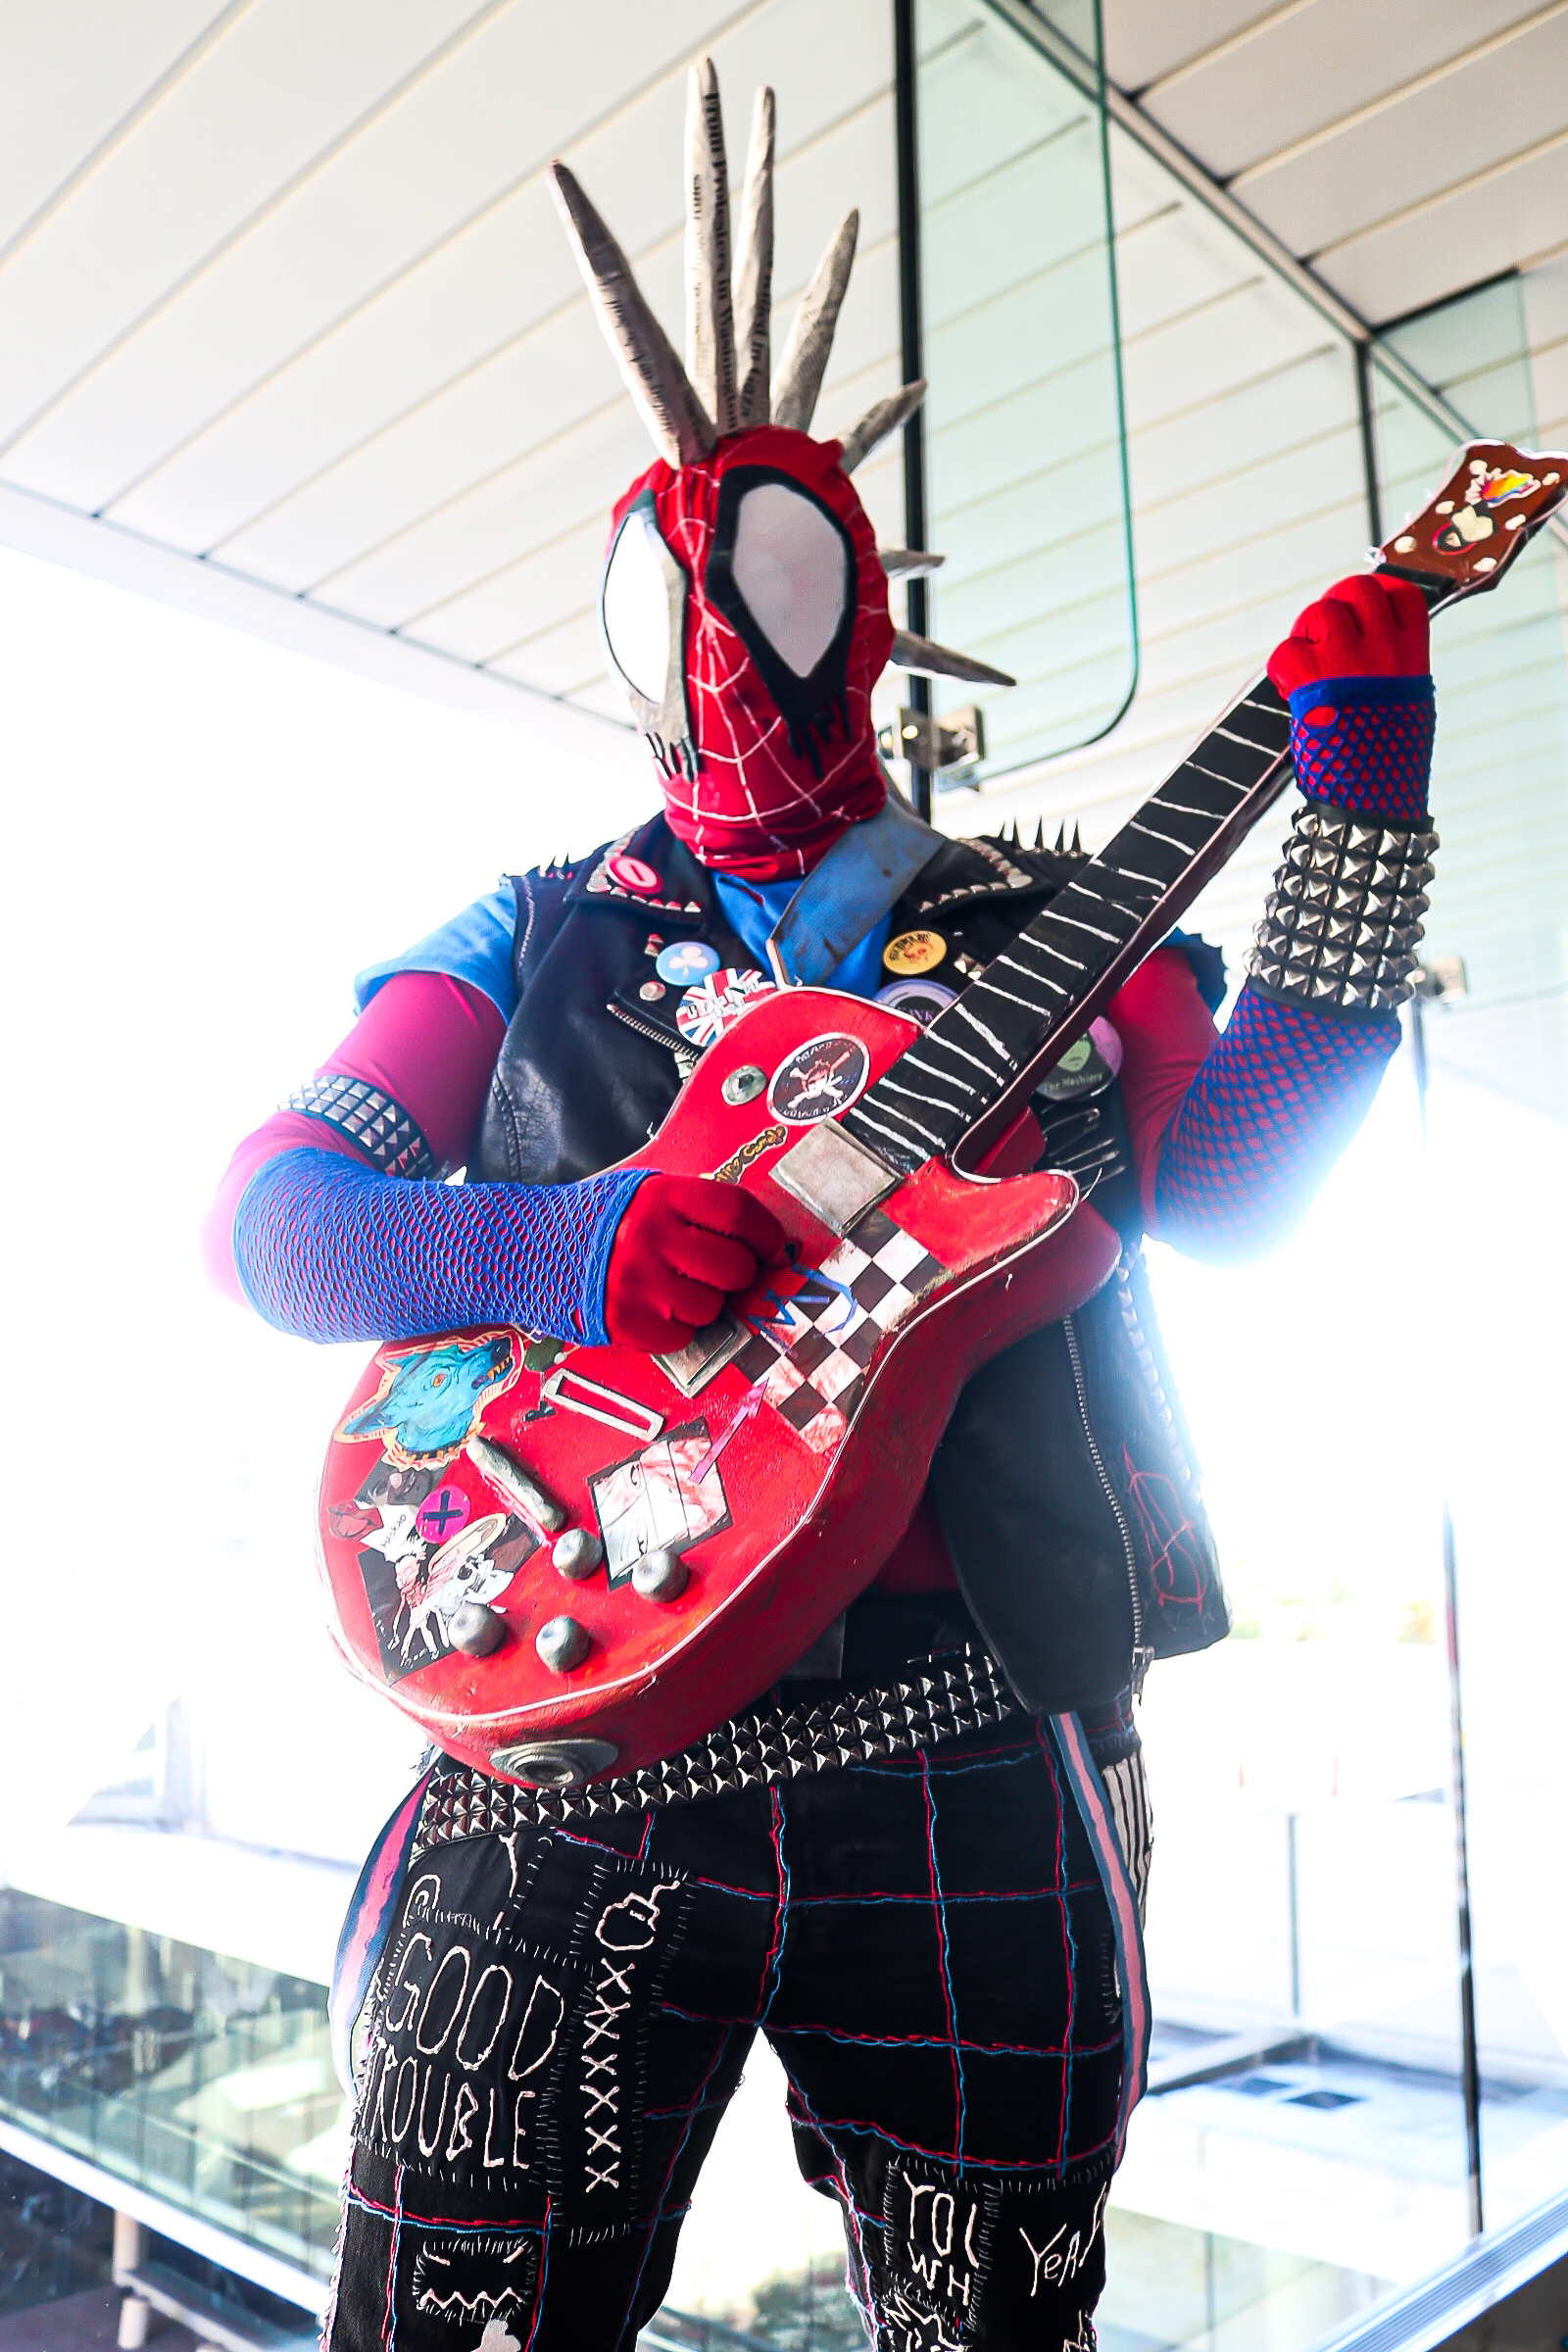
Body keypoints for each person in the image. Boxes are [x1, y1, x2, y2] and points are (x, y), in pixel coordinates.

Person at [204, 63, 1439, 2352]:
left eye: (767, 576)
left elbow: (1242, 1186)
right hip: (557, 1723)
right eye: (665, 586)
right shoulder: (523, 929)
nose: (722, 641)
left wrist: (1361, 800)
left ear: (861, 604)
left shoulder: (1050, 927)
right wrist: (561, 1246)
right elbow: (275, 1225)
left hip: (975, 1732)